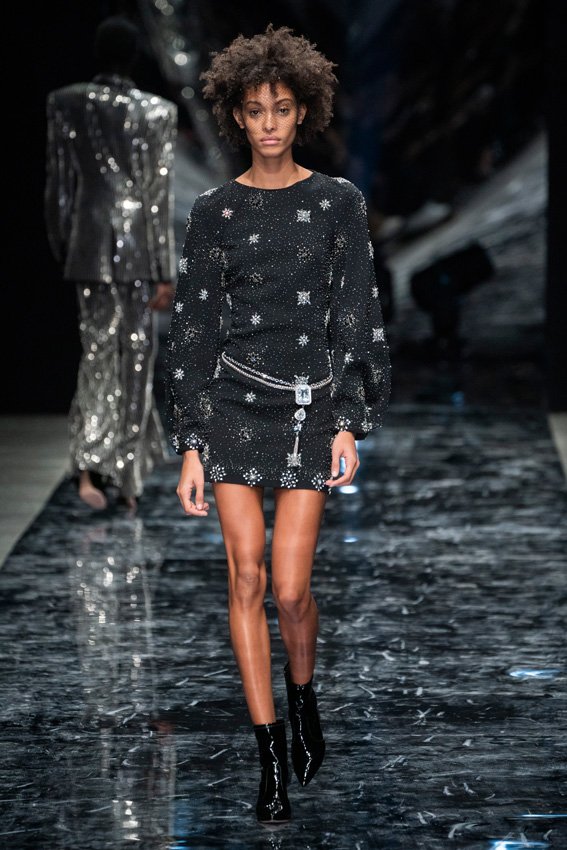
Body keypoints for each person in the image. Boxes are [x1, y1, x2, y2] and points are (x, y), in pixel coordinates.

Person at [167, 24, 391, 823]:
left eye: (281, 109)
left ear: (303, 112)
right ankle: (268, 760)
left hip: (306, 409)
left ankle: (303, 694)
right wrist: (192, 440)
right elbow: (193, 328)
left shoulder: (337, 203)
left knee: (292, 592)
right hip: (232, 408)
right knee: (247, 578)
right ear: (237, 114)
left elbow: (356, 312)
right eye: (255, 110)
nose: (268, 123)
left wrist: (348, 418)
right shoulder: (215, 210)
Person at [45, 15, 177, 510]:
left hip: (90, 242)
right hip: (140, 245)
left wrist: (65, 245)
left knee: (97, 350)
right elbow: (157, 197)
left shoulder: (66, 103)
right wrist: (164, 268)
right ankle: (128, 477)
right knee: (138, 354)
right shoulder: (157, 111)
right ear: (136, 56)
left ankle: (88, 468)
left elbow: (59, 187)